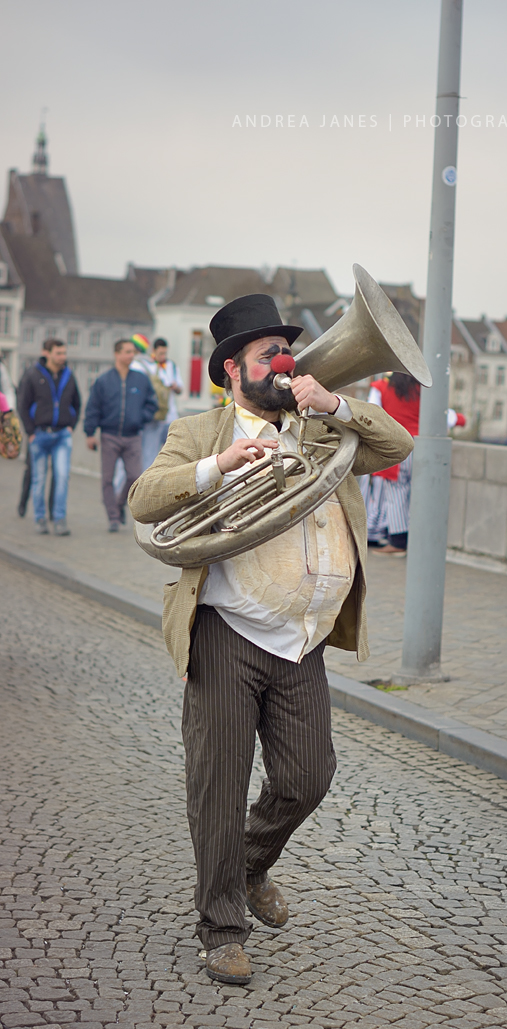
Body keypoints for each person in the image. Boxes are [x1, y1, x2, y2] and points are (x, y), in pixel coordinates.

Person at [129, 294, 413, 986]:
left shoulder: (316, 429)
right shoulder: (201, 430)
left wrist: (335, 404)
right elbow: (143, 499)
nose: (285, 366)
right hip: (228, 631)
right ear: (234, 368)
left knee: (307, 776)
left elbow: (397, 445)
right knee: (218, 788)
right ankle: (221, 928)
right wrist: (219, 467)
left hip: (301, 641)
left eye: (287, 355)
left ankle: (249, 866)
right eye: (269, 356)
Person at [364, 373, 464, 555]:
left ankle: (398, 543)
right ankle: (420, 540)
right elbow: (446, 417)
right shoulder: (423, 389)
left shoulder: (381, 387)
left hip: (398, 445)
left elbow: (372, 413)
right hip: (423, 448)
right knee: (420, 495)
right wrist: (461, 419)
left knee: (396, 494)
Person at [84, 338, 158, 532]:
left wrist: (140, 418)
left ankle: (118, 503)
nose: (131, 355)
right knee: (107, 479)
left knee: (135, 476)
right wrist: (89, 433)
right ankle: (113, 518)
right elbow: (93, 408)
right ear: (117, 354)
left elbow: (152, 404)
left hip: (133, 435)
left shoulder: (141, 379)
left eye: (133, 352)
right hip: (109, 435)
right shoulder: (103, 381)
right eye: (127, 351)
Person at [16, 338, 81, 536]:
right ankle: (40, 519)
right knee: (39, 479)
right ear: (47, 353)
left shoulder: (68, 375)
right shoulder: (33, 375)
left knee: (62, 477)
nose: (63, 357)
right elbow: (22, 405)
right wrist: (30, 432)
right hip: (40, 435)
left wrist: (71, 426)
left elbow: (77, 403)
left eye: (64, 353)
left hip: (62, 435)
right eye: (59, 353)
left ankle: (59, 519)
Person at [137, 337, 183, 469]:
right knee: (150, 454)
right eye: (160, 353)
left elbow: (180, 388)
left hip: (171, 417)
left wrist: (174, 387)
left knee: (173, 454)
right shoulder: (148, 367)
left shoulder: (172, 366)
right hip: (155, 417)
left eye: (165, 353)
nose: (163, 356)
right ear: (154, 351)